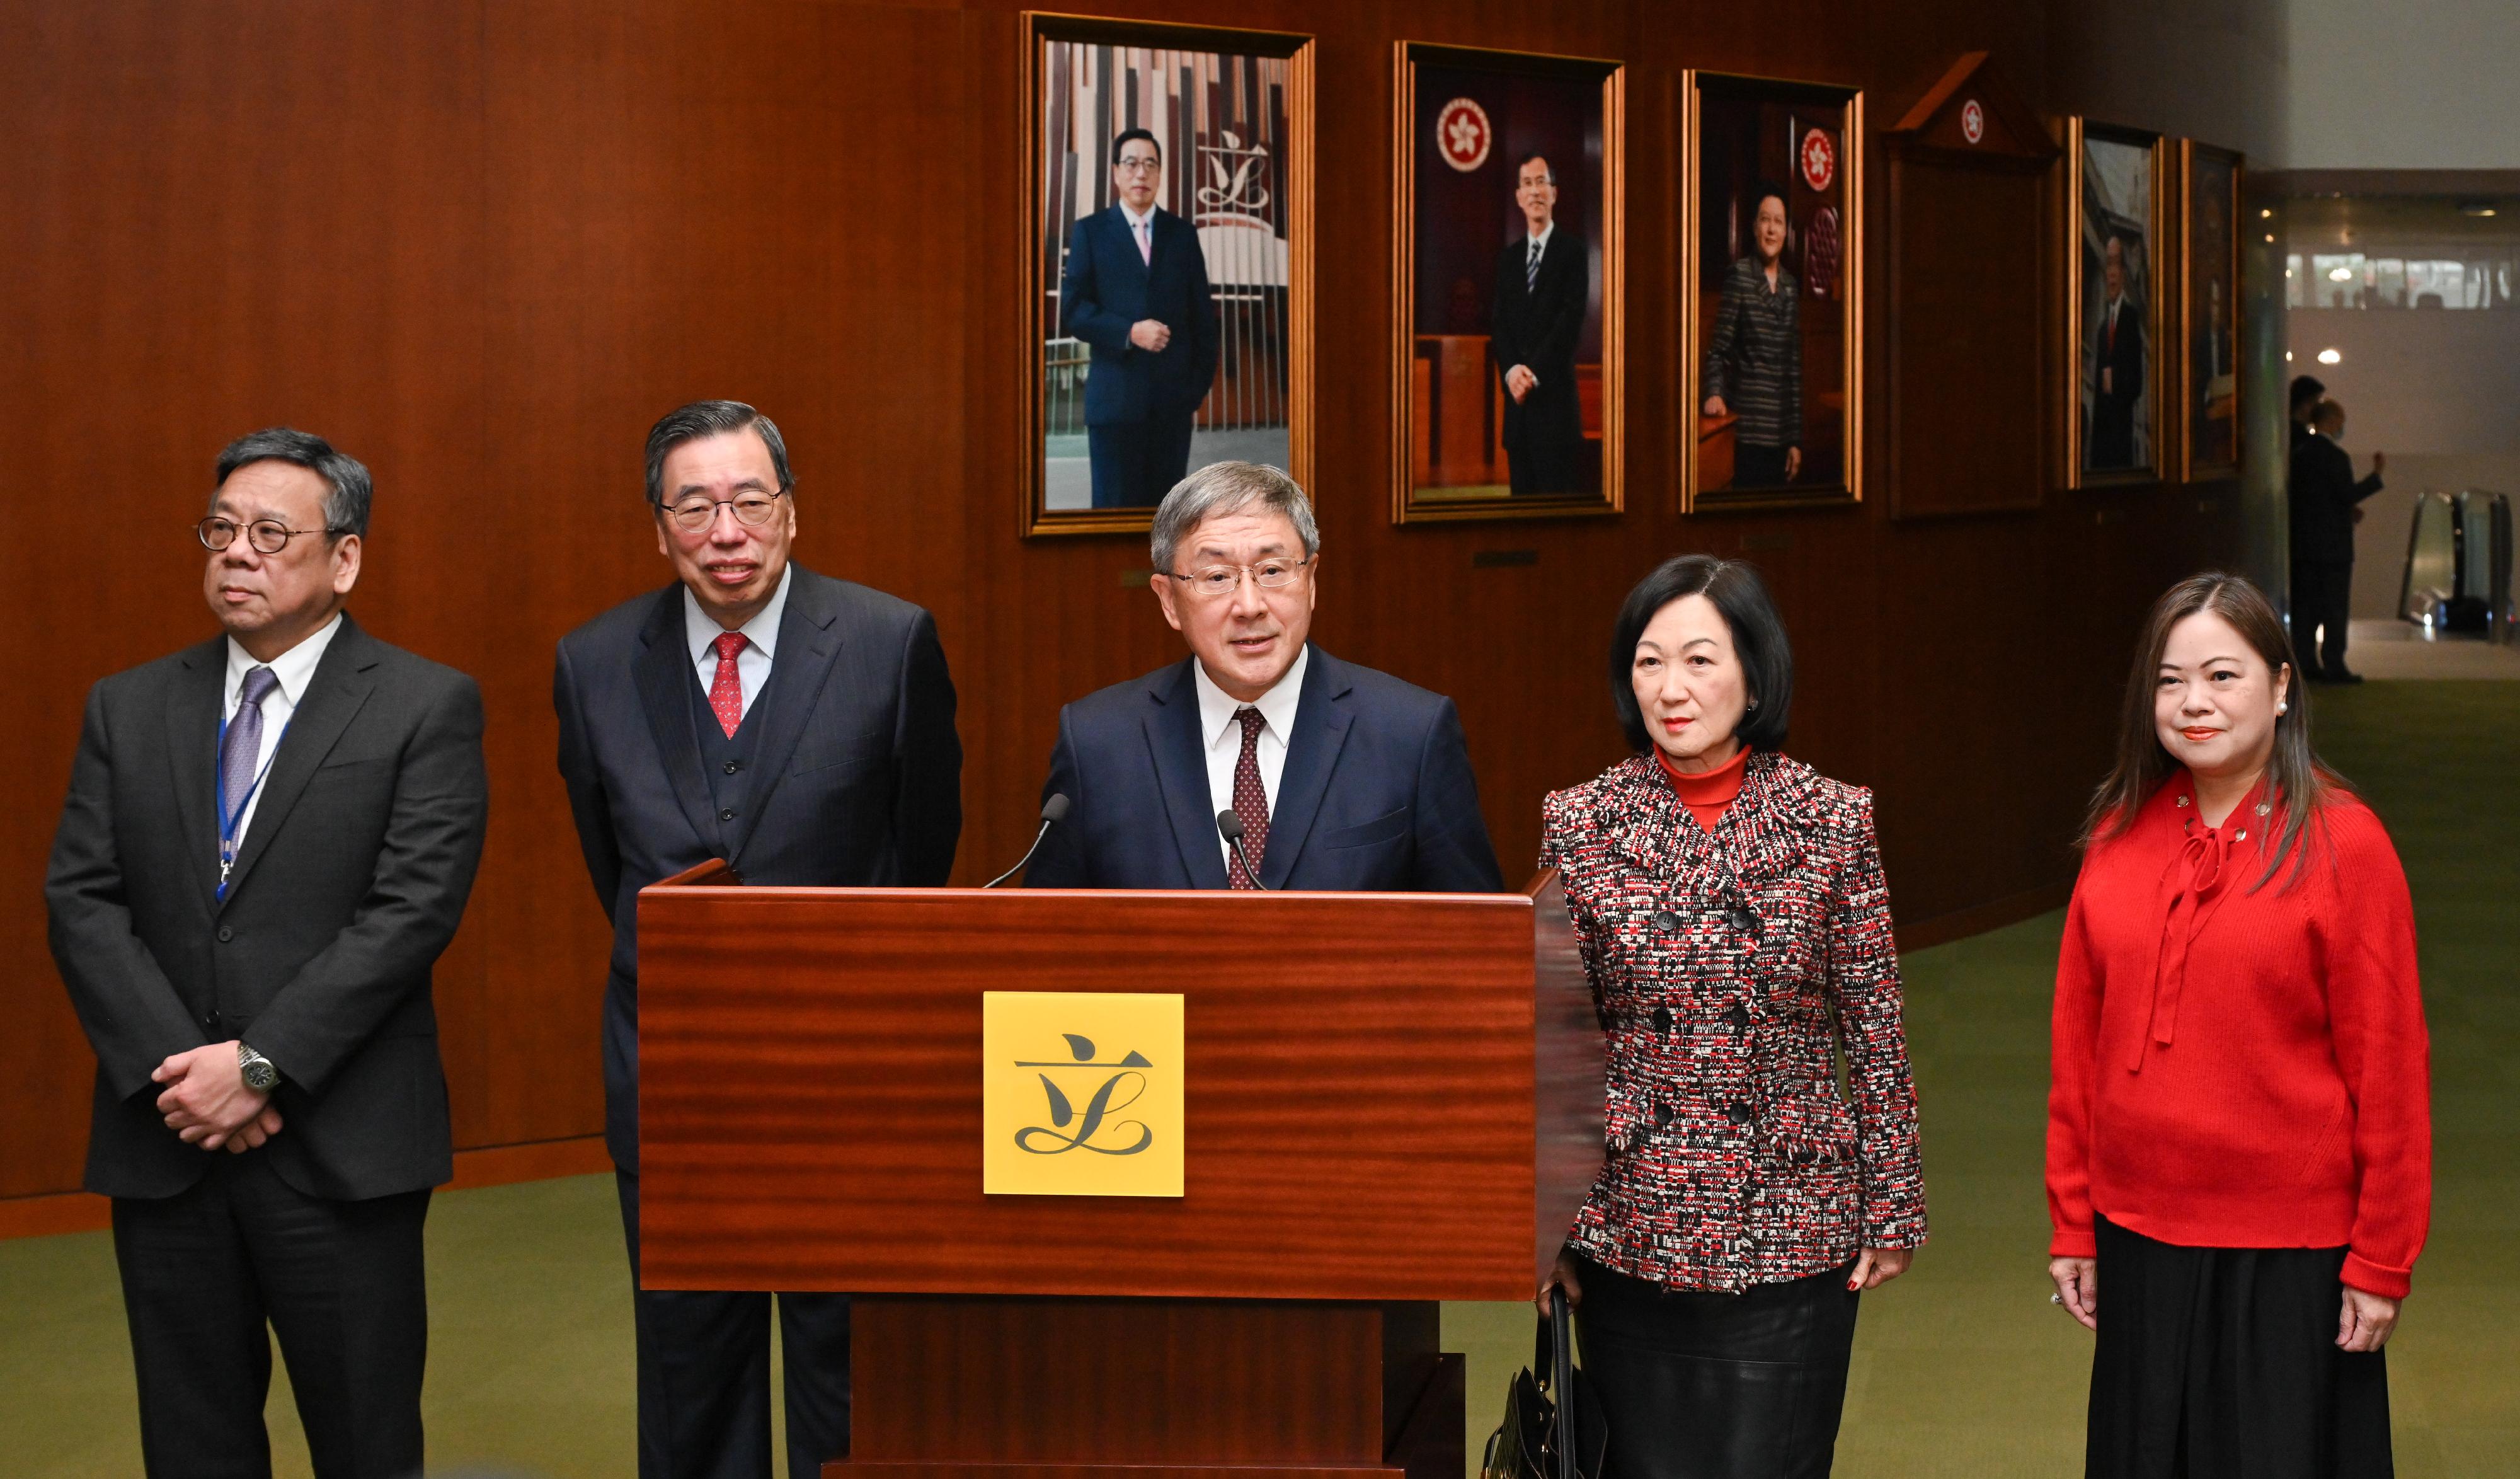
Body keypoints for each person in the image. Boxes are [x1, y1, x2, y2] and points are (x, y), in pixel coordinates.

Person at [47, 429, 489, 1476]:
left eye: (269, 533)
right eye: (221, 528)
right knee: (191, 1440)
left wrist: (258, 1065)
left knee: (365, 1439)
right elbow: (82, 901)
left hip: (340, 1148)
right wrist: (186, 1074)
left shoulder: (425, 704)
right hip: (169, 1143)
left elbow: (411, 910)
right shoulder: (129, 704)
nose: (236, 553)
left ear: (343, 559)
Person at [554, 401, 963, 1479]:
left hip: (852, 1077)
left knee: (854, 1366)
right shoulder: (593, 660)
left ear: (790, 512)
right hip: (675, 1078)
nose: (725, 529)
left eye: (749, 500)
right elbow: (612, 866)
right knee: (691, 1371)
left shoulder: (890, 640)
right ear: (660, 528)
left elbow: (924, 850)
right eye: (695, 505)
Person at [1534, 555, 1925, 1478]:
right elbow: (1553, 1042)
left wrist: (1894, 1202)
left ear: (1756, 671)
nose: (1671, 688)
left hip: (1790, 1216)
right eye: (1648, 661)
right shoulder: (1579, 820)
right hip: (1629, 1216)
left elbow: (1872, 1024)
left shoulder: (1833, 820)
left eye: (1701, 660)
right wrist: (1536, 1223)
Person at [2047, 572, 2427, 1479]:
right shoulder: (2117, 834)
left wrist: (2382, 1253)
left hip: (2291, 1249)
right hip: (2140, 1231)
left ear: (2283, 686)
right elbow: (2077, 1047)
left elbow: (2391, 1065)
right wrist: (2073, 1218)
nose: (2194, 702)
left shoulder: (2348, 843)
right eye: (2171, 680)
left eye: (2223, 675)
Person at [1024, 461, 1502, 892]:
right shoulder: (1098, 743)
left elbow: (1478, 944)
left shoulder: (1411, 733)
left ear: (1311, 581)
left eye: (1273, 570)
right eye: (1217, 578)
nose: (1250, 606)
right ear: (1169, 599)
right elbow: (1045, 947)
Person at [1059, 127, 1222, 509]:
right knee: (1112, 524)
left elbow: (1204, 321)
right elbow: (1074, 312)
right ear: (1116, 172)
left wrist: (1192, 393)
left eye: (1151, 164)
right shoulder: (1091, 232)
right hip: (1113, 407)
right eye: (1131, 163)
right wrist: (1129, 331)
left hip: (1172, 409)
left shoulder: (1182, 236)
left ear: (1161, 174)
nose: (1141, 174)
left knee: (1167, 528)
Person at [1491, 153, 1588, 496]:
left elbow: (1569, 323)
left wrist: (1530, 374)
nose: (1535, 192)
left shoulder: (1573, 253)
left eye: (1541, 182)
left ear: (1554, 193)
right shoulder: (1508, 259)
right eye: (1527, 184)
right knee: (1520, 520)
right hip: (1518, 418)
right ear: (1519, 196)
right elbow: (1500, 325)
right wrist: (1512, 372)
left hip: (1556, 414)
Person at [1702, 184, 1804, 487]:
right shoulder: (1741, 276)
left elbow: (1793, 371)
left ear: (1786, 232)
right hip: (1746, 431)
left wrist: (1795, 439)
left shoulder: (1791, 286)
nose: (1771, 230)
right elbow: (1717, 351)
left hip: (1780, 434)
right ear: (1755, 227)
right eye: (1765, 220)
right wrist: (1714, 393)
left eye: (1778, 222)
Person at [2290, 400, 2386, 683]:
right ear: (2334, 420)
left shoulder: (2298, 455)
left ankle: (2306, 662)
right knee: (2334, 607)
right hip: (2333, 547)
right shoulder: (2336, 456)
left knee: (2306, 608)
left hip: (2303, 546)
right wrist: (2376, 475)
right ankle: (2334, 664)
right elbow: (2346, 494)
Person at [2087, 234, 2146, 469]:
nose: (2111, 273)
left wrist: (2115, 383)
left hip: (2121, 437)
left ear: (2123, 271)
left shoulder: (2131, 319)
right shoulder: (2103, 329)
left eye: (2115, 264)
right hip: (2102, 444)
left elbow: (2137, 383)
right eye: (2107, 264)